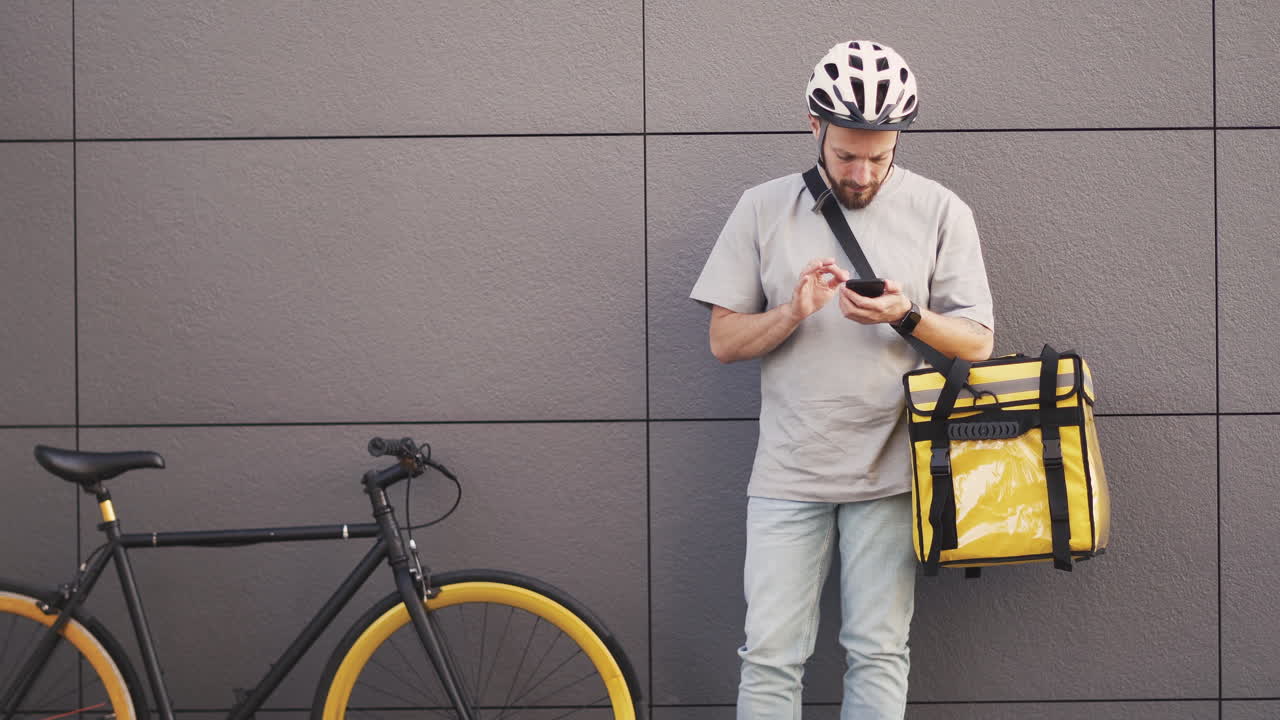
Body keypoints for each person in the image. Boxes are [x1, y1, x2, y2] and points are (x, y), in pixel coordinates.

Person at [689, 41, 995, 719]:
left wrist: (907, 314)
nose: (860, 173)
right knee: (769, 657)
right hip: (787, 476)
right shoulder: (763, 210)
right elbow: (722, 341)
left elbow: (977, 341)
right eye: (845, 155)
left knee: (878, 652)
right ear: (813, 126)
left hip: (890, 475)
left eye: (877, 157)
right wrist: (792, 312)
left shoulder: (942, 211)